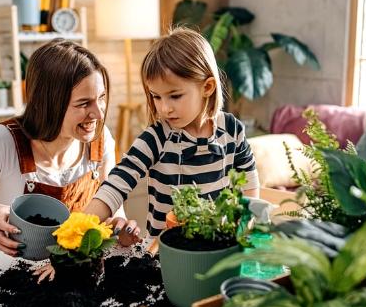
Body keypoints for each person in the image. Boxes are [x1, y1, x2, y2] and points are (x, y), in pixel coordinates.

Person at [0, 39, 138, 258]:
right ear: (48, 103)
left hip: (79, 274)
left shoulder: (100, 141)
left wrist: (119, 227)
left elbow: (113, 215)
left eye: (101, 98)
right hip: (16, 275)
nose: (99, 114)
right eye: (83, 103)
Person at [86, 27, 260, 238]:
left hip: (217, 245)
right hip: (165, 252)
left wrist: (245, 229)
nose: (164, 108)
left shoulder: (232, 130)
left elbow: (249, 185)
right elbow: (117, 183)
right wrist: (81, 226)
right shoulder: (156, 138)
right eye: (156, 97)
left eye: (175, 96)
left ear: (208, 87)